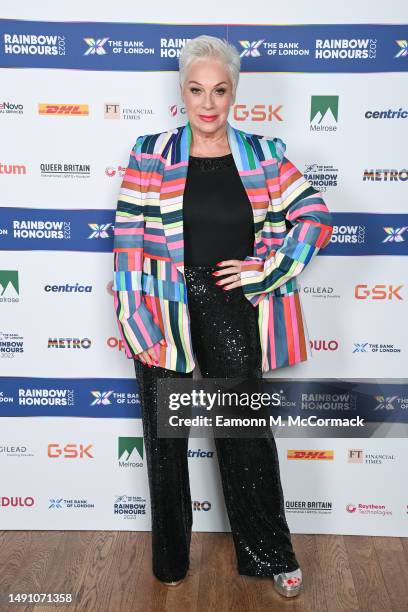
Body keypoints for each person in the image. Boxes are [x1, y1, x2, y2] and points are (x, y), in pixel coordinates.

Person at [112, 35, 333, 597]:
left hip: (233, 306)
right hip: (162, 312)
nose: (207, 103)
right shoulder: (150, 152)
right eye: (195, 90)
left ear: (234, 91)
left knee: (246, 440)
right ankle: (170, 561)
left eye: (219, 90)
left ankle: (270, 554)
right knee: (166, 443)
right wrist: (135, 320)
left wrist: (266, 271)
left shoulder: (263, 153)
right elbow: (128, 242)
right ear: (181, 91)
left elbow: (314, 216)